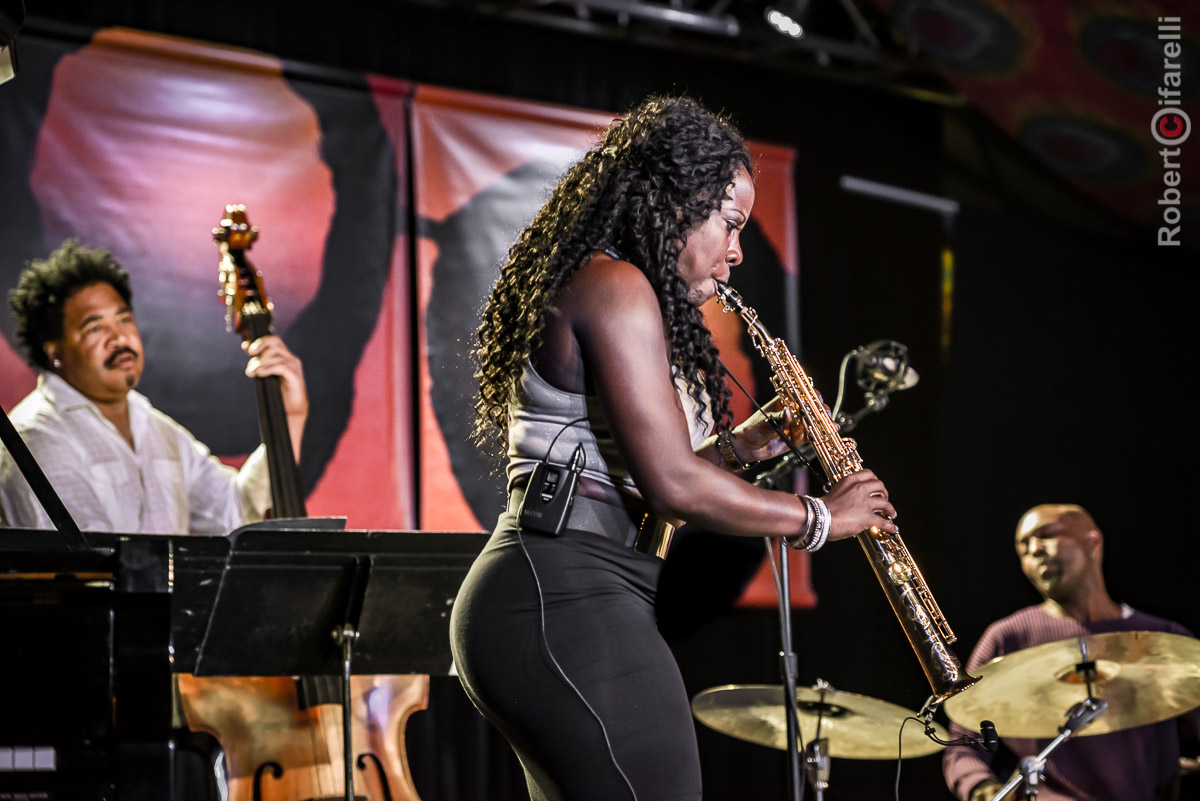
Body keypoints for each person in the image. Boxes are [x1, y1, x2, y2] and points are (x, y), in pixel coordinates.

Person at [448, 95, 898, 800]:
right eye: (730, 224)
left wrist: (751, 442)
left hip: (570, 590)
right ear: (673, 201)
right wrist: (821, 518)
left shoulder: (611, 284)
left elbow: (649, 475)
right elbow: (670, 486)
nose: (738, 250)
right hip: (563, 591)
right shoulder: (615, 284)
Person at [0, 239, 307, 534]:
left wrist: (289, 417)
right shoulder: (35, 437)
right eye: (95, 328)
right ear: (54, 352)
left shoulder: (158, 429)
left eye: (123, 320)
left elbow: (236, 511)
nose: (120, 339)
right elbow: (87, 566)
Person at [943, 504, 1200, 801]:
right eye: (1023, 546)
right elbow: (964, 744)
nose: (1034, 550)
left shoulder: (1165, 638)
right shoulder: (1007, 636)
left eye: (1046, 535)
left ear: (1093, 542)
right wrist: (982, 789)